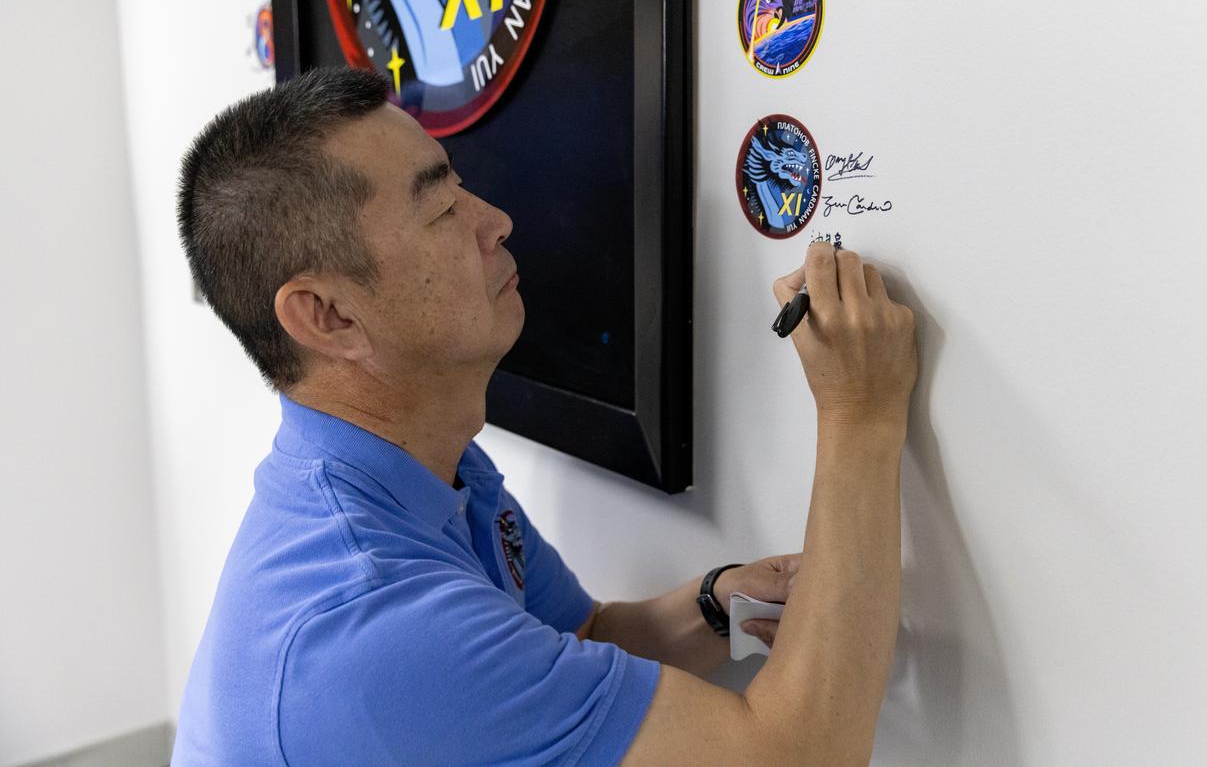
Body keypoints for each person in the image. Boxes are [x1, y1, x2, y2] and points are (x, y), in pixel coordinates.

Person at [170, 66, 918, 766]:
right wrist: (861, 410)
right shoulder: (374, 622)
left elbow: (581, 634)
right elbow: (798, 753)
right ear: (328, 316)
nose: (494, 220)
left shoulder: (423, 464)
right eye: (440, 209)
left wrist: (713, 604)